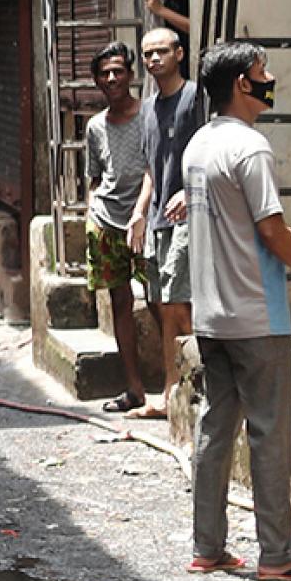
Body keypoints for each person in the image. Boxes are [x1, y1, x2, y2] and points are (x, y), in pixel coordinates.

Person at [181, 42, 291, 581]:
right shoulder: (251, 149)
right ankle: (278, 553)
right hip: (256, 313)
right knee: (271, 434)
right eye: (261, 72)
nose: (269, 78)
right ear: (241, 86)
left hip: (211, 315)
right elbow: (272, 230)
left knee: (214, 427)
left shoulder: (198, 145)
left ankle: (208, 546)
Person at [126, 26, 201, 419]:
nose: (154, 59)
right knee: (159, 303)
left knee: (177, 303)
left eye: (161, 52)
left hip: (187, 216)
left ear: (179, 54)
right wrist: (139, 211)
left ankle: (183, 392)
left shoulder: (194, 99)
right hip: (156, 218)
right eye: (148, 53)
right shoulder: (149, 108)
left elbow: (208, 155)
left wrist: (191, 193)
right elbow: (152, 168)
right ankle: (172, 389)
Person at [81, 42, 152, 414]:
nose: (112, 78)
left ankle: (179, 383)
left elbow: (153, 169)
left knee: (162, 301)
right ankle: (134, 389)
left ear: (130, 74)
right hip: (106, 224)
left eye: (118, 71)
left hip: (145, 221)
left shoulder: (148, 116)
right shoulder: (95, 127)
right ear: (97, 80)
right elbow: (95, 178)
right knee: (120, 302)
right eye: (105, 73)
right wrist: (92, 214)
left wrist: (140, 211)